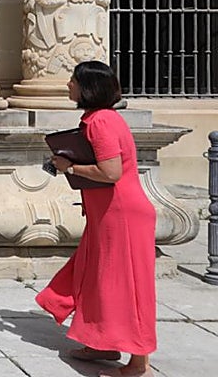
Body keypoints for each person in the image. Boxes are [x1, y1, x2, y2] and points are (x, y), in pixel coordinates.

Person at [36, 61, 157, 377]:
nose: (68, 84)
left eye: (73, 80)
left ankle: (139, 364)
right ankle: (101, 341)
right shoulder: (100, 118)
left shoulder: (101, 122)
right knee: (98, 280)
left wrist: (70, 167)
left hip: (123, 216)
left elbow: (111, 172)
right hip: (109, 213)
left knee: (127, 287)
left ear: (88, 88)